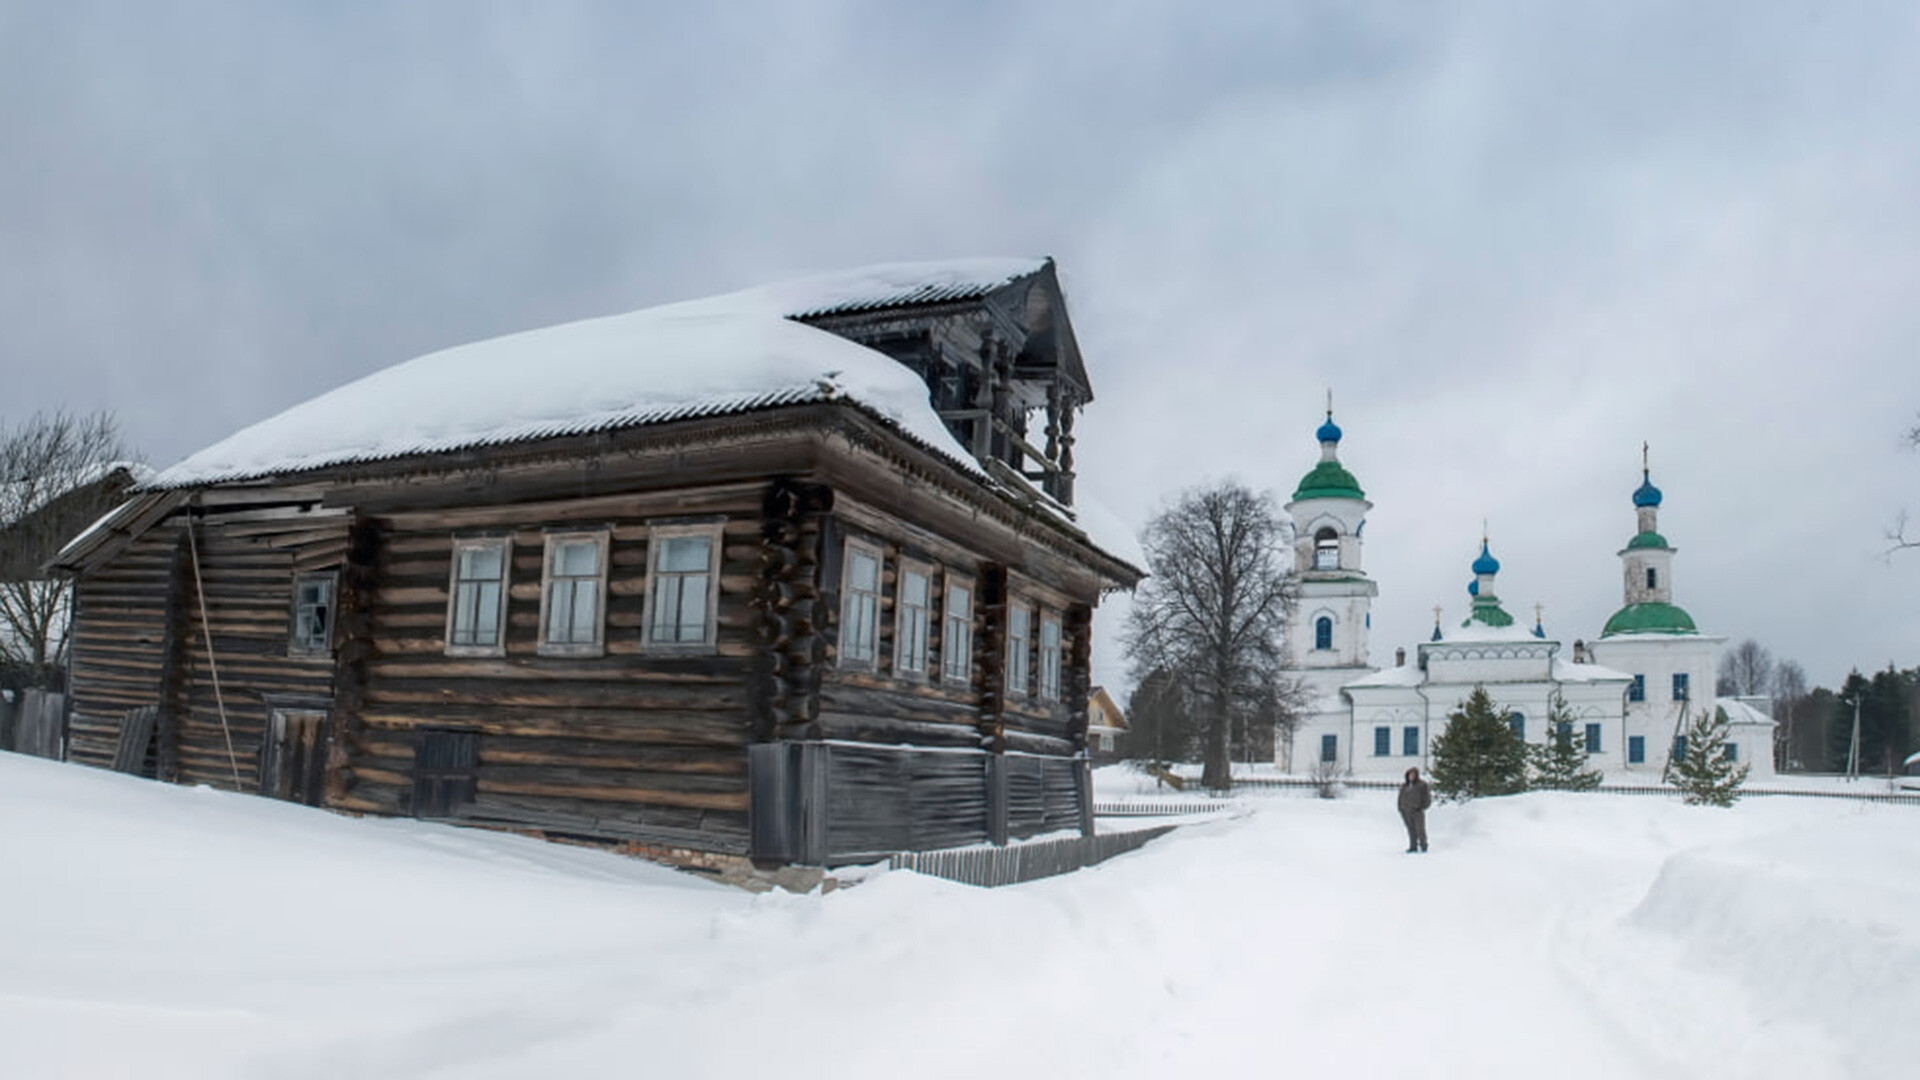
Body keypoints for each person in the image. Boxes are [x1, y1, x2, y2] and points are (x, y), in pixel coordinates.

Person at [1398, 766, 1431, 853]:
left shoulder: (1422, 785)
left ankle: (1423, 845)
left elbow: (1427, 798)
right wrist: (1401, 808)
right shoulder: (1405, 786)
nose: (1411, 776)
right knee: (1411, 830)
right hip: (1406, 811)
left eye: (1413, 775)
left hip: (1417, 811)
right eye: (1410, 775)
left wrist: (1422, 807)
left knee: (1420, 829)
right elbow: (1400, 798)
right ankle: (1413, 846)